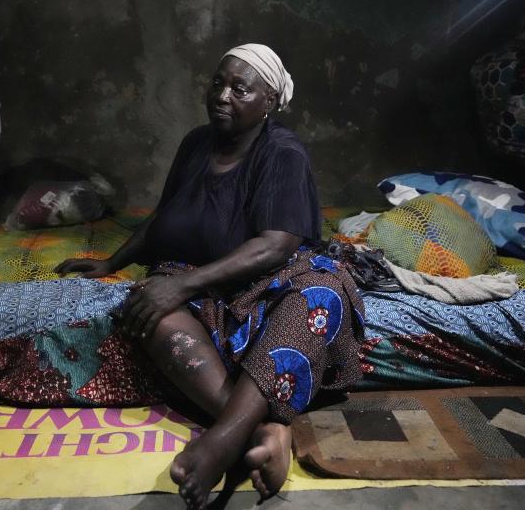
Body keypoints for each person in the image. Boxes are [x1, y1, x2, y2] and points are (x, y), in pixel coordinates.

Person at [55, 44, 364, 509]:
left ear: (269, 102)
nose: (222, 95)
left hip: (269, 277)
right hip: (195, 275)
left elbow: (277, 244)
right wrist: (113, 264)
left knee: (319, 294)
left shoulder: (283, 152)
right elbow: (165, 216)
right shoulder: (195, 143)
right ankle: (256, 432)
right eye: (218, 83)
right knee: (149, 310)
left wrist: (183, 285)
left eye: (241, 88)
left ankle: (219, 444)